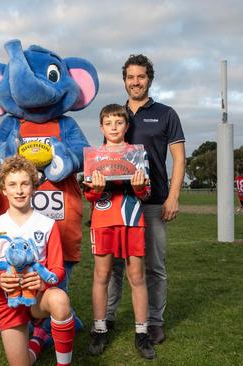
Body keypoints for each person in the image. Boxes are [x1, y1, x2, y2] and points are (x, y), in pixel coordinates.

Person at [105, 54, 186, 345]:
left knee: (154, 266)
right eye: (130, 77)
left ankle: (154, 320)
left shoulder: (166, 114)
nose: (135, 82)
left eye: (140, 76)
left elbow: (179, 159)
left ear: (149, 79)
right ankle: (108, 316)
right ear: (124, 80)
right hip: (117, 203)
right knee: (114, 265)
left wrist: (173, 197)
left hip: (153, 202)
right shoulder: (115, 114)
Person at [0, 156, 75, 366]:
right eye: (12, 185)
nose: (19, 190)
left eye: (25, 184)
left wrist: (43, 283)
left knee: (60, 300)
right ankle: (39, 339)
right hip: (8, 300)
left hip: (39, 297)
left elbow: (58, 268)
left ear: (34, 187)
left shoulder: (47, 224)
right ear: (3, 189)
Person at [83, 104, 155, 359]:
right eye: (109, 123)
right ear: (101, 127)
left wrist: (137, 188)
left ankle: (142, 333)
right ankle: (100, 329)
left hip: (133, 220)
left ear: (127, 126)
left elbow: (146, 193)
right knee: (101, 275)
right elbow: (90, 195)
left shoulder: (137, 154)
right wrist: (96, 189)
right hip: (103, 222)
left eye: (119, 122)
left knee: (137, 276)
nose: (114, 127)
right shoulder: (94, 156)